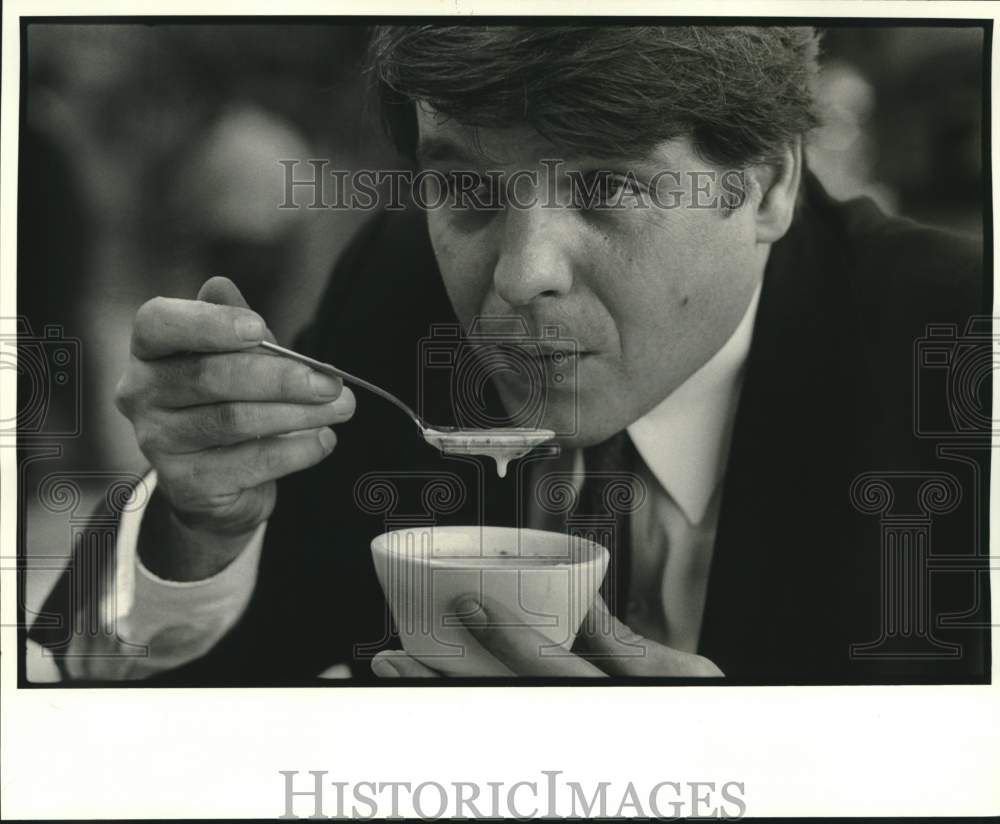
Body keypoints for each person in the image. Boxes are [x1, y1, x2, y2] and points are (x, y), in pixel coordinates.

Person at [29, 25, 989, 684]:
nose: (519, 277)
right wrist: (196, 533)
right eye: (468, 191)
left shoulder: (956, 356)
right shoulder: (396, 287)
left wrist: (739, 769)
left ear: (769, 186)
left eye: (608, 184)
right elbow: (90, 678)